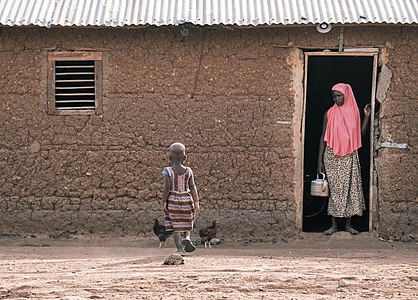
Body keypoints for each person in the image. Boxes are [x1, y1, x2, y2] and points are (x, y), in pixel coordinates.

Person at [317, 83, 371, 235]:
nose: (336, 99)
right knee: (334, 190)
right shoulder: (329, 113)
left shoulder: (354, 113)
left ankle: (348, 225)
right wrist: (319, 160)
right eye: (334, 96)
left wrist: (366, 117)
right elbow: (323, 137)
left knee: (349, 190)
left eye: (339, 95)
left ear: (346, 95)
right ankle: (333, 225)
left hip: (349, 155)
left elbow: (360, 136)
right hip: (331, 155)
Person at [162, 142, 200, 255]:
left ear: (169, 157)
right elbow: (193, 186)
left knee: (175, 226)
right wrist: (196, 201)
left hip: (173, 199)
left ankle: (179, 249)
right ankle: (187, 237)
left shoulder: (167, 171)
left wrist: (164, 201)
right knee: (187, 221)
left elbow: (167, 187)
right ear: (185, 157)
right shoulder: (189, 171)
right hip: (187, 199)